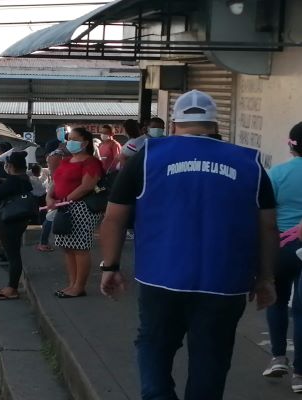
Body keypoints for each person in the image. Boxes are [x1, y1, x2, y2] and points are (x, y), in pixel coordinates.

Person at [99, 90, 278, 400]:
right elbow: (268, 227)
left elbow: (113, 218)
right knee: (211, 358)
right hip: (226, 283)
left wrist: (110, 266)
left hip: (160, 278)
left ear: (173, 125)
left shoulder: (148, 156)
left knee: (154, 345)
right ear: (215, 125)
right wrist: (265, 278)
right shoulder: (250, 162)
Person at [263, 123, 302, 392]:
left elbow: (264, 215)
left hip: (281, 247)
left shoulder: (277, 174)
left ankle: (278, 357)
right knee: (301, 311)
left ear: (291, 145)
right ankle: (300, 374)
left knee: (276, 301)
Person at [47, 127, 103, 298]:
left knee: (79, 248)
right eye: (68, 138)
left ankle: (79, 286)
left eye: (74, 139)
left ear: (85, 142)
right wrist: (50, 197)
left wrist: (65, 200)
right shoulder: (66, 161)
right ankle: (72, 284)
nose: (69, 142)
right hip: (64, 207)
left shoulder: (91, 162)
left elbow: (87, 185)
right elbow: (55, 182)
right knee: (68, 248)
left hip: (81, 207)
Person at [0, 151, 34, 300]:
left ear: (11, 166)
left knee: (13, 254)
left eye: (7, 165)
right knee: (13, 252)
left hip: (10, 221)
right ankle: (11, 286)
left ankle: (12, 288)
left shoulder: (13, 181)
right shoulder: (24, 179)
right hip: (20, 219)